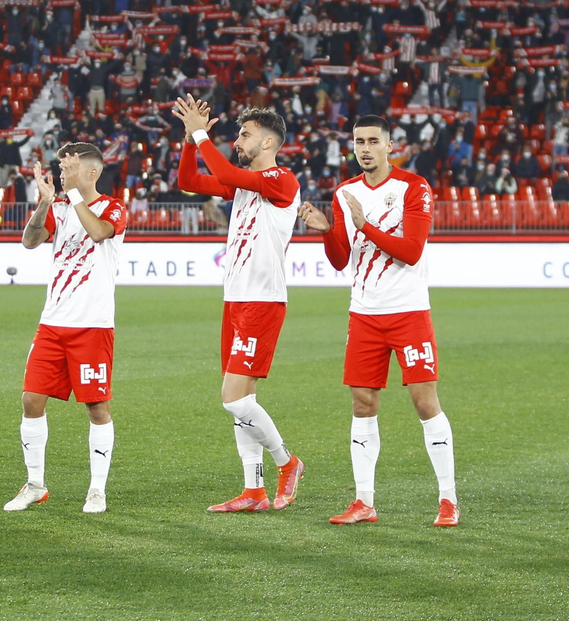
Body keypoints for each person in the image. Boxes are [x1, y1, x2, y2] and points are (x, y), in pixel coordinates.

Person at [299, 116, 458, 527]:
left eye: (373, 141)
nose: (365, 149)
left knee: (424, 401)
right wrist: (326, 230)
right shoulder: (344, 192)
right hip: (364, 314)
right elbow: (340, 260)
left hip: (408, 312)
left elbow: (412, 251)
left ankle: (448, 500)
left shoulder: (413, 187)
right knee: (362, 403)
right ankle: (363, 501)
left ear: (390, 146)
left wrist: (365, 225)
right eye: (359, 142)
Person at [172, 95, 307, 513]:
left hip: (262, 299)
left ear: (268, 142)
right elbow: (188, 181)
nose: (237, 141)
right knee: (242, 401)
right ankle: (253, 490)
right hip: (235, 299)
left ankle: (288, 463)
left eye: (245, 134)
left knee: (233, 399)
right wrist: (189, 140)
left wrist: (201, 134)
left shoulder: (282, 179)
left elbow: (224, 171)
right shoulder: (244, 182)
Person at [6, 144, 128, 514]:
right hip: (52, 324)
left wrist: (72, 194)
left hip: (92, 326)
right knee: (31, 400)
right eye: (61, 169)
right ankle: (35, 485)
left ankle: (96, 490)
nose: (62, 175)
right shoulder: (59, 208)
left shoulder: (112, 207)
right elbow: (30, 241)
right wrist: (44, 203)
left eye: (69, 169)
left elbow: (98, 232)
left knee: (96, 407)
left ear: (91, 173)